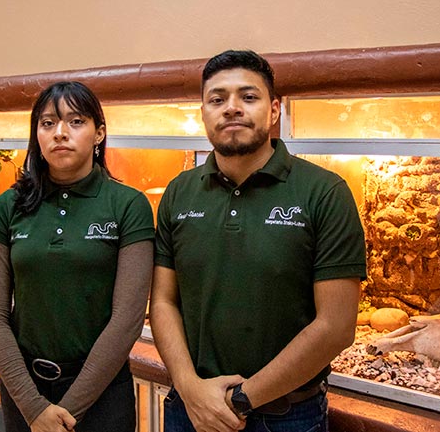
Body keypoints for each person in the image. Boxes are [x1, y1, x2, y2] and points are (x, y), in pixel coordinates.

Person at [150, 50, 367, 432]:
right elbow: (165, 301)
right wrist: (190, 389)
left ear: (274, 109)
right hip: (188, 409)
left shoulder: (324, 193)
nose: (231, 108)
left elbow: (336, 325)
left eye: (248, 97)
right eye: (217, 99)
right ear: (202, 111)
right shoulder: (178, 193)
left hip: (286, 417)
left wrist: (240, 399)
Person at [0, 81, 155, 432]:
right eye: (48, 123)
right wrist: (34, 409)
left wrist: (66, 413)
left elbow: (127, 320)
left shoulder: (127, 205)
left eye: (76, 122)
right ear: (37, 135)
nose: (60, 133)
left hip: (102, 393)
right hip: (25, 391)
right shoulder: (8, 206)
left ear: (98, 133)